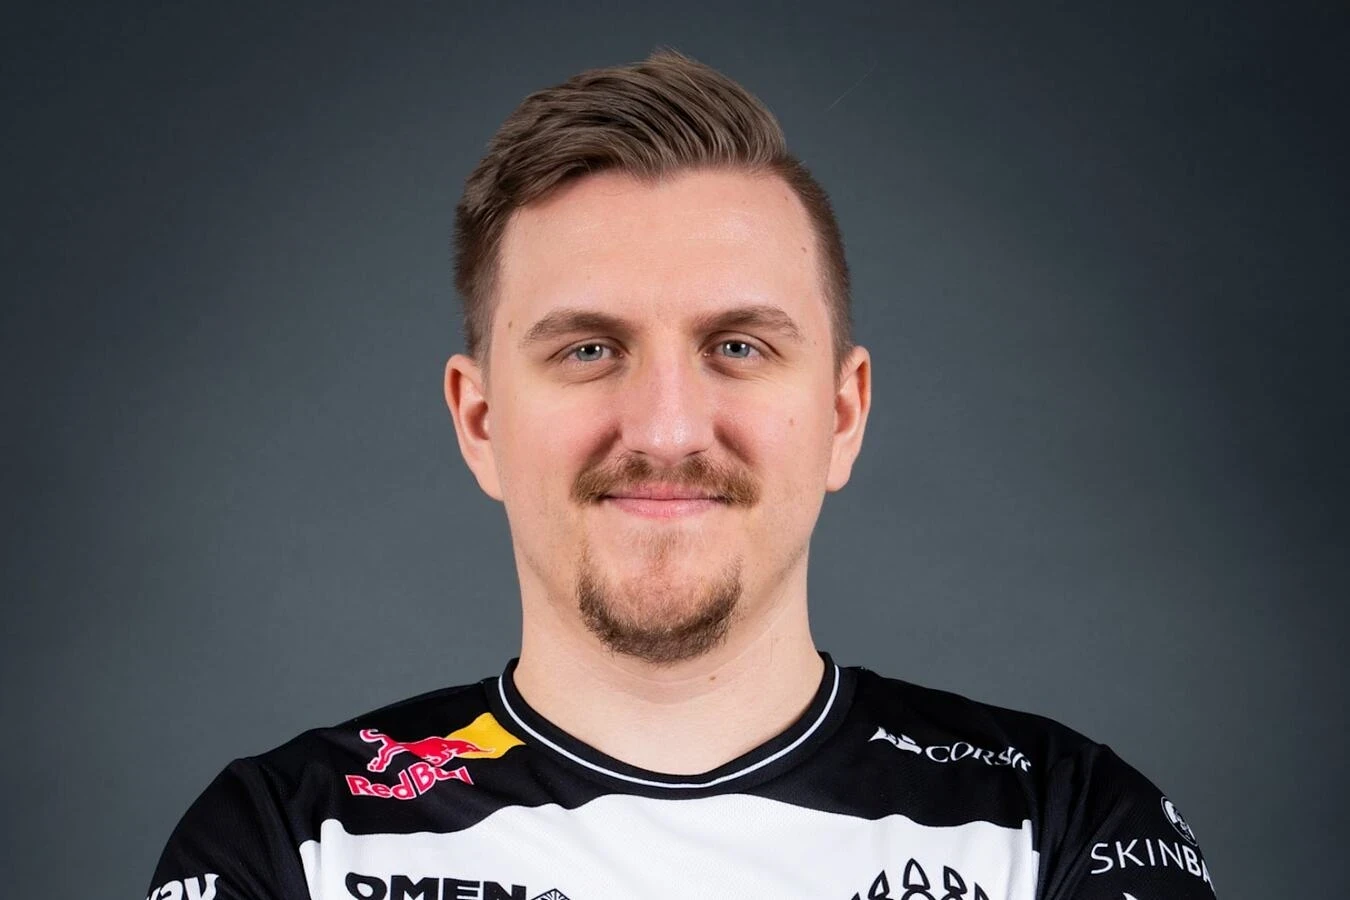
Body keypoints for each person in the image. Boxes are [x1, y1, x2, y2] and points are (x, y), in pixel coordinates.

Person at [145, 48, 1218, 900]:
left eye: (738, 347)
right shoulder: (290, 844)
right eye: (588, 349)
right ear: (480, 422)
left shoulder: (1057, 829)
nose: (665, 430)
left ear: (842, 414)